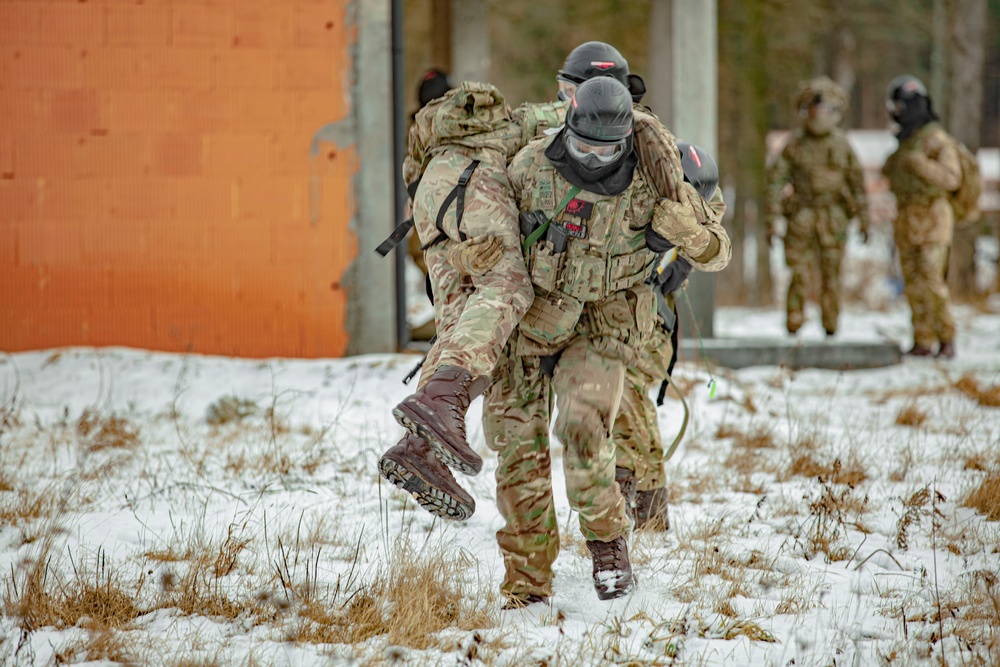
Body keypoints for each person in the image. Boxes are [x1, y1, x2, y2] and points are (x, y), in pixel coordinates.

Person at [483, 77, 726, 607]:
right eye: (581, 146)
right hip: (530, 321)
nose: (591, 158)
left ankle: (608, 546)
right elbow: (481, 240)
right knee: (517, 452)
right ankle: (527, 584)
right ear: (567, 129)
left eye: (605, 149)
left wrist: (683, 232)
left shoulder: (658, 175)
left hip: (605, 321)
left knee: (582, 424)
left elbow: (716, 249)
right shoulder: (528, 167)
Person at [378, 82, 533, 520]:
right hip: (472, 182)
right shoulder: (522, 123)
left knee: (462, 323)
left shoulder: (433, 138)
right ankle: (442, 403)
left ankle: (418, 448)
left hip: (431, 197)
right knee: (509, 286)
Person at [766, 76, 871, 337]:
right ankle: (794, 320)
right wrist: (771, 218)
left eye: (824, 111)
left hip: (833, 217)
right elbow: (775, 182)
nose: (819, 116)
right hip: (802, 216)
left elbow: (857, 184)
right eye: (814, 110)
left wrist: (864, 218)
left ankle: (831, 324)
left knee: (831, 273)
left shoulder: (841, 144)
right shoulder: (796, 144)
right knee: (799, 272)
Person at [881, 75, 961, 359]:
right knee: (912, 282)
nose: (896, 112)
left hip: (933, 220)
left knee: (932, 280)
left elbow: (952, 178)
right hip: (907, 221)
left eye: (901, 106)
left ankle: (947, 338)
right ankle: (923, 340)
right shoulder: (906, 140)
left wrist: (921, 165)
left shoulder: (935, 139)